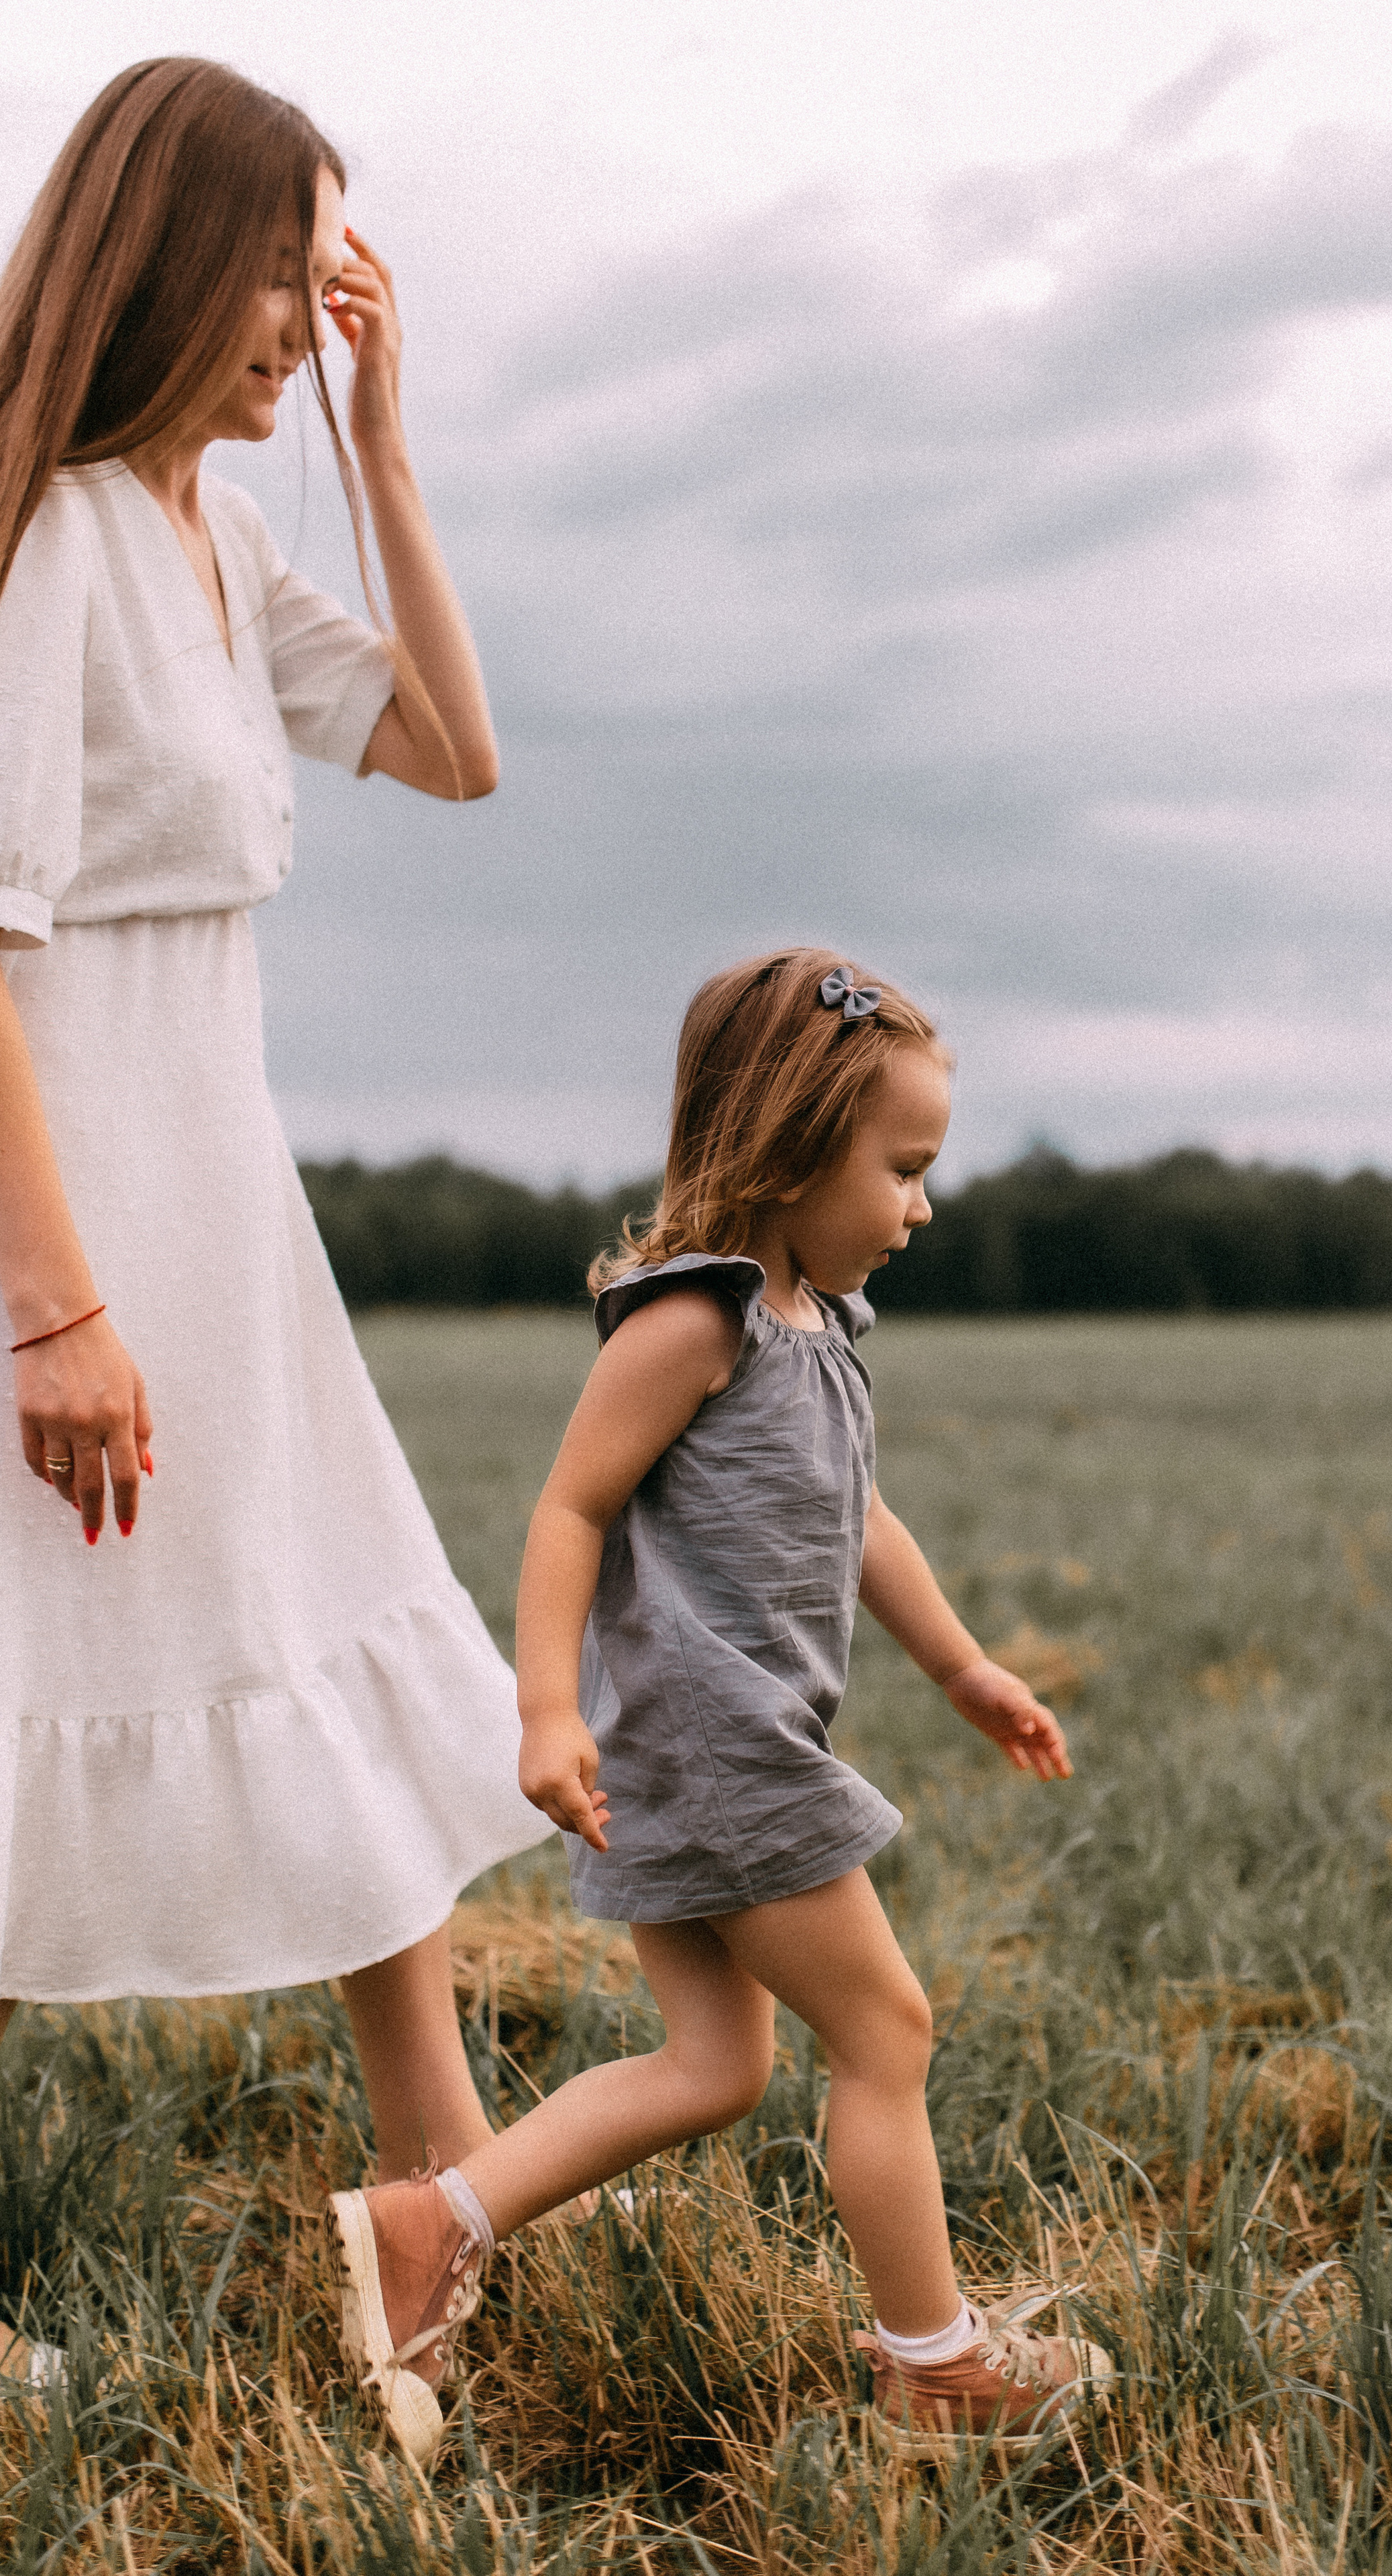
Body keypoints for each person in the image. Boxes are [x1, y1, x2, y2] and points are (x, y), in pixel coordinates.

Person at [329, 948, 1114, 2464]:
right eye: (902, 1169)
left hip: (715, 1749)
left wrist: (963, 1666)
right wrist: (543, 1711)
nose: (921, 1207)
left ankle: (437, 2221)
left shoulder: (818, 1328)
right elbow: (569, 1511)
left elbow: (858, 1518)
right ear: (788, 1146)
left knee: (716, 2068)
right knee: (886, 2030)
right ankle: (934, 2365)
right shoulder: (695, 1324)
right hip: (716, 1749)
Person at [0, 62, 544, 2163]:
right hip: (72, 1219)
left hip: (216, 1204)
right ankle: (443, 2184)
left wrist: (379, 447)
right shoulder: (50, 538)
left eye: (330, 283)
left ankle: (439, 2192)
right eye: (277, 274)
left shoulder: (212, 531)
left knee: (316, 1635)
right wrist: (55, 1314)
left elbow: (454, 748)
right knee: (46, 1693)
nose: (307, 321)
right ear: (158, 259)